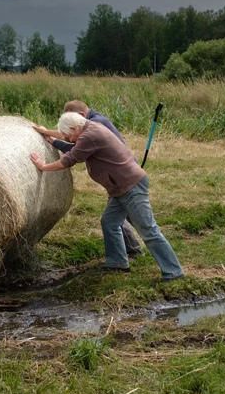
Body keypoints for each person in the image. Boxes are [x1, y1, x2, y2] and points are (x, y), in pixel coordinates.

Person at [30, 111, 184, 282]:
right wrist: (47, 132)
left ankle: (173, 272)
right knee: (109, 222)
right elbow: (67, 137)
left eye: (69, 135)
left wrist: (43, 166)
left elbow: (70, 159)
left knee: (148, 230)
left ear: (75, 128)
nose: (68, 139)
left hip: (130, 186)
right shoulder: (88, 128)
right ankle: (117, 262)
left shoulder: (90, 136)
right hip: (120, 188)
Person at [32, 100, 144, 258]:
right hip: (118, 175)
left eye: (70, 132)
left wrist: (49, 154)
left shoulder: (95, 126)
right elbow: (73, 138)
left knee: (118, 216)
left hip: (121, 176)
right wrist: (48, 133)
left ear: (80, 117)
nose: (70, 138)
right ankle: (130, 253)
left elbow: (75, 150)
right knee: (123, 214)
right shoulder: (92, 122)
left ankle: (132, 252)